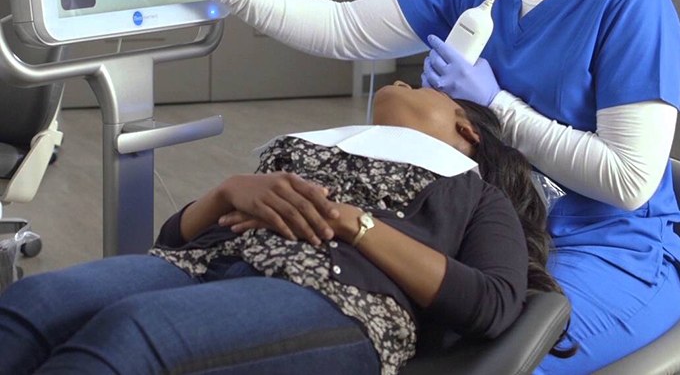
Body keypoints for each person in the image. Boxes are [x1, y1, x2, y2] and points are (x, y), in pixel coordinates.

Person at [139, 0, 680, 373]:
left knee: (492, 360)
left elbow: (628, 180)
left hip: (606, 249)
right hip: (498, 234)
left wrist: (499, 106)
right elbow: (344, 28)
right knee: (375, 331)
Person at [0, 83, 566, 374]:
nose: (407, 81)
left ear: (466, 130)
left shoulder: (471, 191)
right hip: (203, 264)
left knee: (131, 333)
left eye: (423, 89)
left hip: (337, 294)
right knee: (35, 300)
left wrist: (353, 223)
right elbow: (174, 241)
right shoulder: (313, 144)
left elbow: (492, 304)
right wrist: (224, 192)